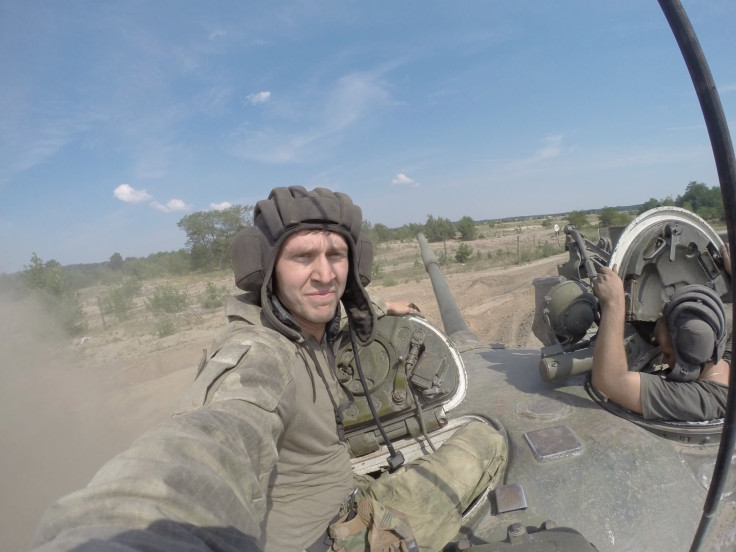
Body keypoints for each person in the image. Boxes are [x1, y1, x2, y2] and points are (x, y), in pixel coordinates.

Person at [32, 186, 507, 552]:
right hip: (335, 535)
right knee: (486, 435)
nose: (325, 275)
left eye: (336, 256)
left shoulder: (303, 320)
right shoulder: (260, 357)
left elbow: (335, 306)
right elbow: (203, 447)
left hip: (339, 492)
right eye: (303, 257)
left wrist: (380, 306)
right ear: (268, 270)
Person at [592, 263, 730, 421]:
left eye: (667, 354)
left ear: (692, 357)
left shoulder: (702, 400)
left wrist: (614, 303)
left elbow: (610, 380)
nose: (664, 360)